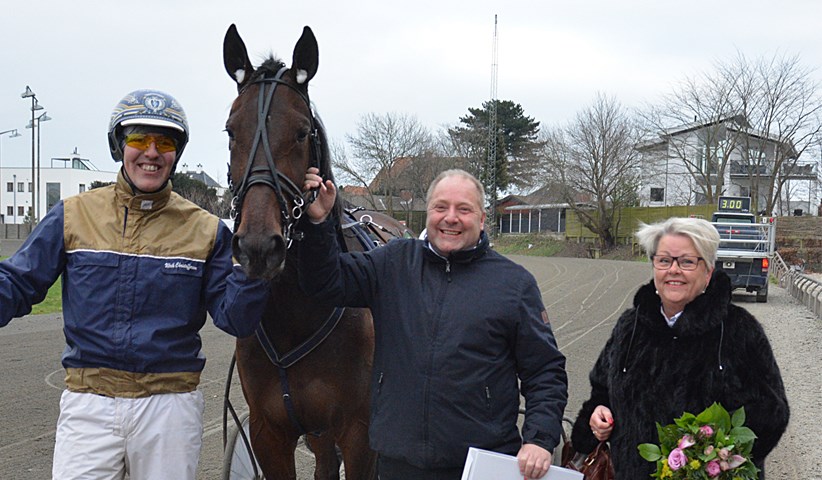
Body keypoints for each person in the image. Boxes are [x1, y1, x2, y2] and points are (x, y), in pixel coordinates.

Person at [0, 89, 270, 480]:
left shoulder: (206, 230)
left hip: (170, 408)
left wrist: (253, 267)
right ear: (119, 146)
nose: (152, 153)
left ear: (177, 154)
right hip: (89, 405)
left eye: (165, 143)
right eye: (140, 140)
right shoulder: (73, 215)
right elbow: (17, 282)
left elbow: (237, 319)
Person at [298, 167, 568, 480]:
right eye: (441, 207)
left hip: (480, 466)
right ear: (428, 213)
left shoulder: (514, 285)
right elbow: (324, 283)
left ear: (482, 219)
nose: (450, 218)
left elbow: (545, 370)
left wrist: (539, 440)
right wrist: (318, 223)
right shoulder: (392, 264)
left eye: (463, 209)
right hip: (399, 464)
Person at [571, 217, 789, 479]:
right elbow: (601, 390)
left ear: (708, 271)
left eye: (686, 262)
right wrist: (598, 416)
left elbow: (772, 413)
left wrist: (710, 458)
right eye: (664, 260)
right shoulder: (630, 327)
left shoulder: (738, 330)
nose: (673, 270)